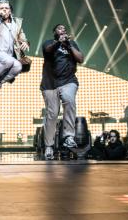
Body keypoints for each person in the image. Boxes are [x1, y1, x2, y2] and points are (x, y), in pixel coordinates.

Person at [41, 24, 84, 160]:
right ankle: (49, 146)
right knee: (52, 114)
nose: (63, 30)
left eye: (64, 29)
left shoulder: (71, 44)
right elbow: (48, 51)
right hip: (50, 84)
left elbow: (81, 59)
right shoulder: (49, 43)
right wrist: (58, 42)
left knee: (69, 99)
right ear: (54, 32)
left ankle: (69, 136)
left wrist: (69, 45)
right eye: (59, 28)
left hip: (68, 81)